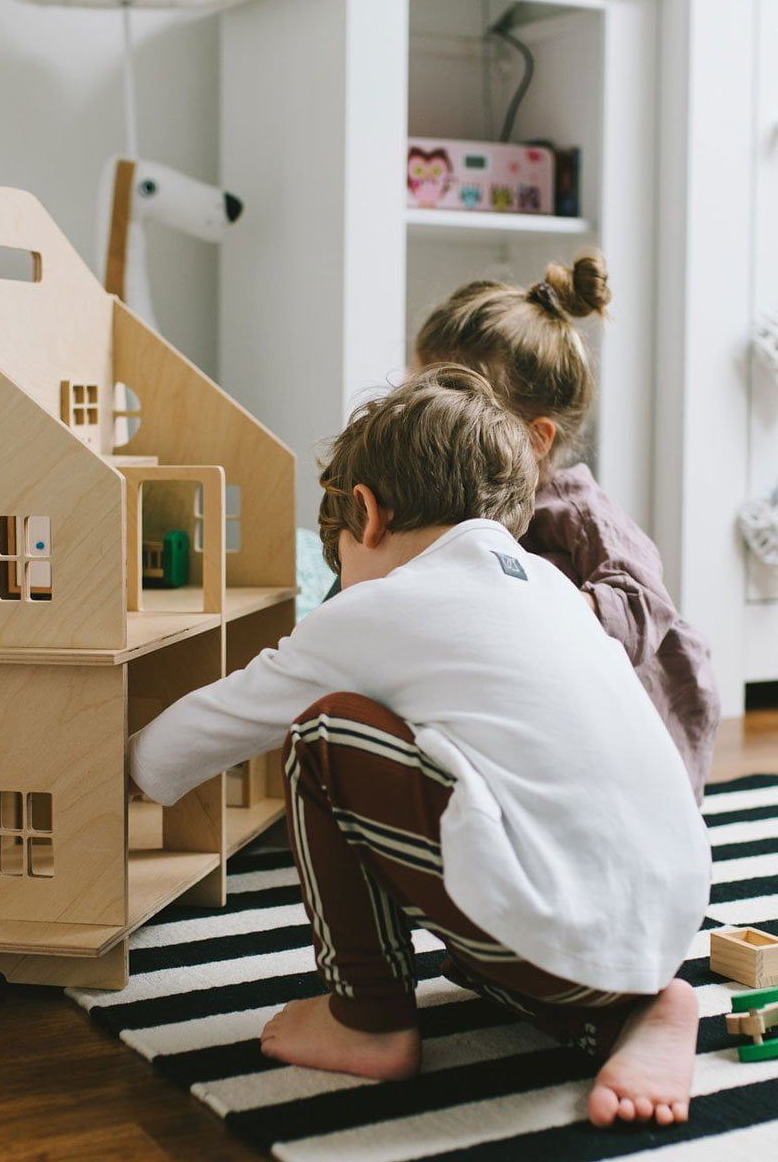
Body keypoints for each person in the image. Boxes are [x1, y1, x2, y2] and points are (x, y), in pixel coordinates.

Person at [128, 366, 710, 1129]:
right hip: (662, 921)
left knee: (324, 731)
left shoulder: (377, 609)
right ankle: (632, 1012)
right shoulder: (549, 589)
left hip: (559, 934)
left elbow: (204, 732)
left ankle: (366, 1018)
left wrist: (117, 759)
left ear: (365, 515)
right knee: (470, 926)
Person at [325, 253, 719, 800]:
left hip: (616, 732)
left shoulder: (577, 512)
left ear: (534, 440)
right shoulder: (443, 505)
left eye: (447, 411)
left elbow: (643, 604)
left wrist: (535, 602)